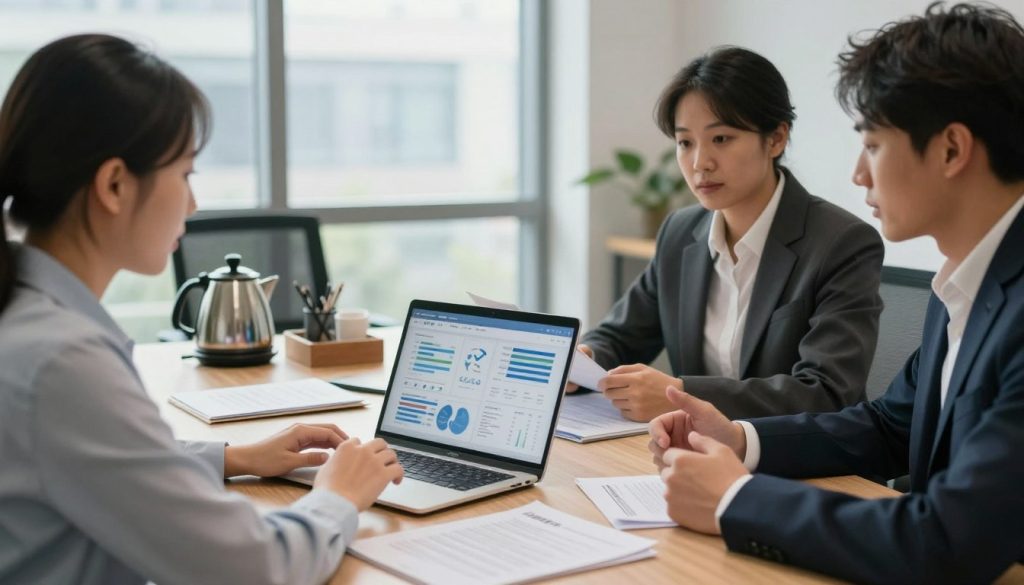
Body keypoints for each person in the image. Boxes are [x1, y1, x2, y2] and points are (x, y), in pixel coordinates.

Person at [0, 34, 403, 585]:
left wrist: (234, 458)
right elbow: (252, 568)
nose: (193, 203)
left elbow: (96, 464)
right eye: (185, 174)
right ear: (115, 184)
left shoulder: (26, 317)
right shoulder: (62, 361)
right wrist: (339, 497)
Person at [649, 3, 1024, 583]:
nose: (857, 174)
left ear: (952, 149)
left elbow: (950, 539)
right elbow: (888, 427)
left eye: (872, 145)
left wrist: (734, 501)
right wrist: (738, 438)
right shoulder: (965, 281)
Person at [572, 47, 884, 422]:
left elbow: (827, 392)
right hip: (692, 454)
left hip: (796, 462)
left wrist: (682, 396)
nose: (700, 162)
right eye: (685, 143)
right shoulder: (680, 232)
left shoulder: (841, 242)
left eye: (721, 139)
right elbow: (620, 336)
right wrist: (586, 360)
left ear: (776, 139)